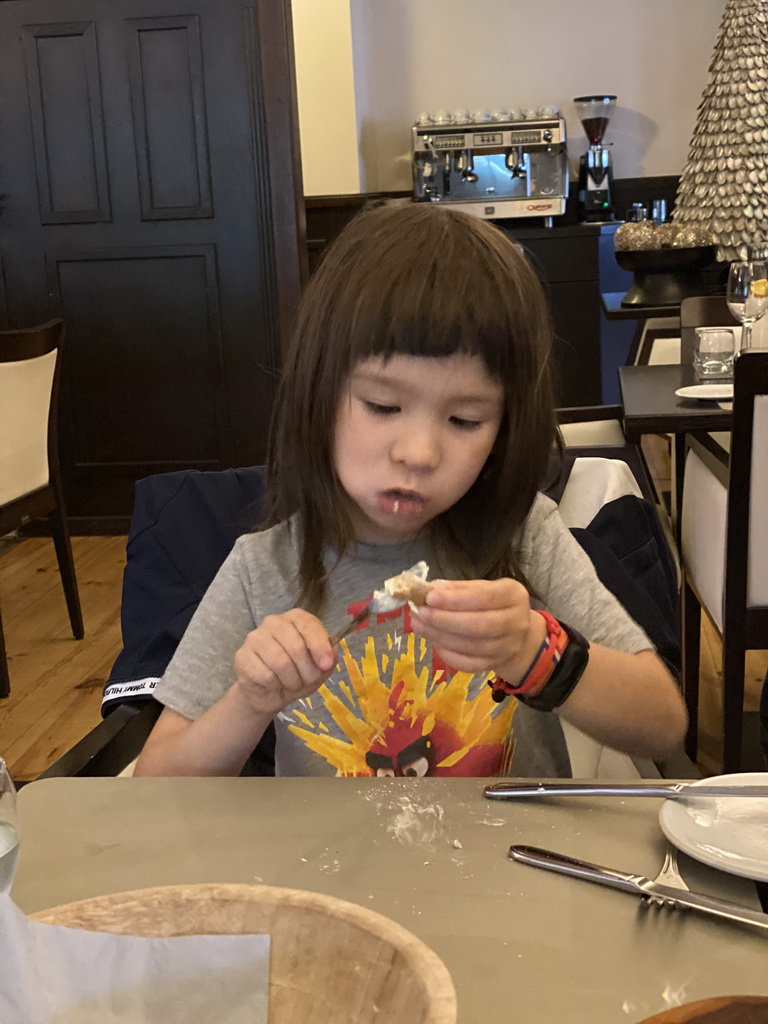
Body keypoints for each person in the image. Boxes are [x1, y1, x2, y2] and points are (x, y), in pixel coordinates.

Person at [135, 202, 687, 779]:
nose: (419, 453)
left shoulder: (523, 537)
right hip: (324, 866)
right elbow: (158, 784)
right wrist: (252, 699)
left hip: (511, 858)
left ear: (504, 430)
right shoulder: (263, 571)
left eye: (465, 420)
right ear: (318, 394)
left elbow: (662, 723)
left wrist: (534, 652)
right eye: (382, 406)